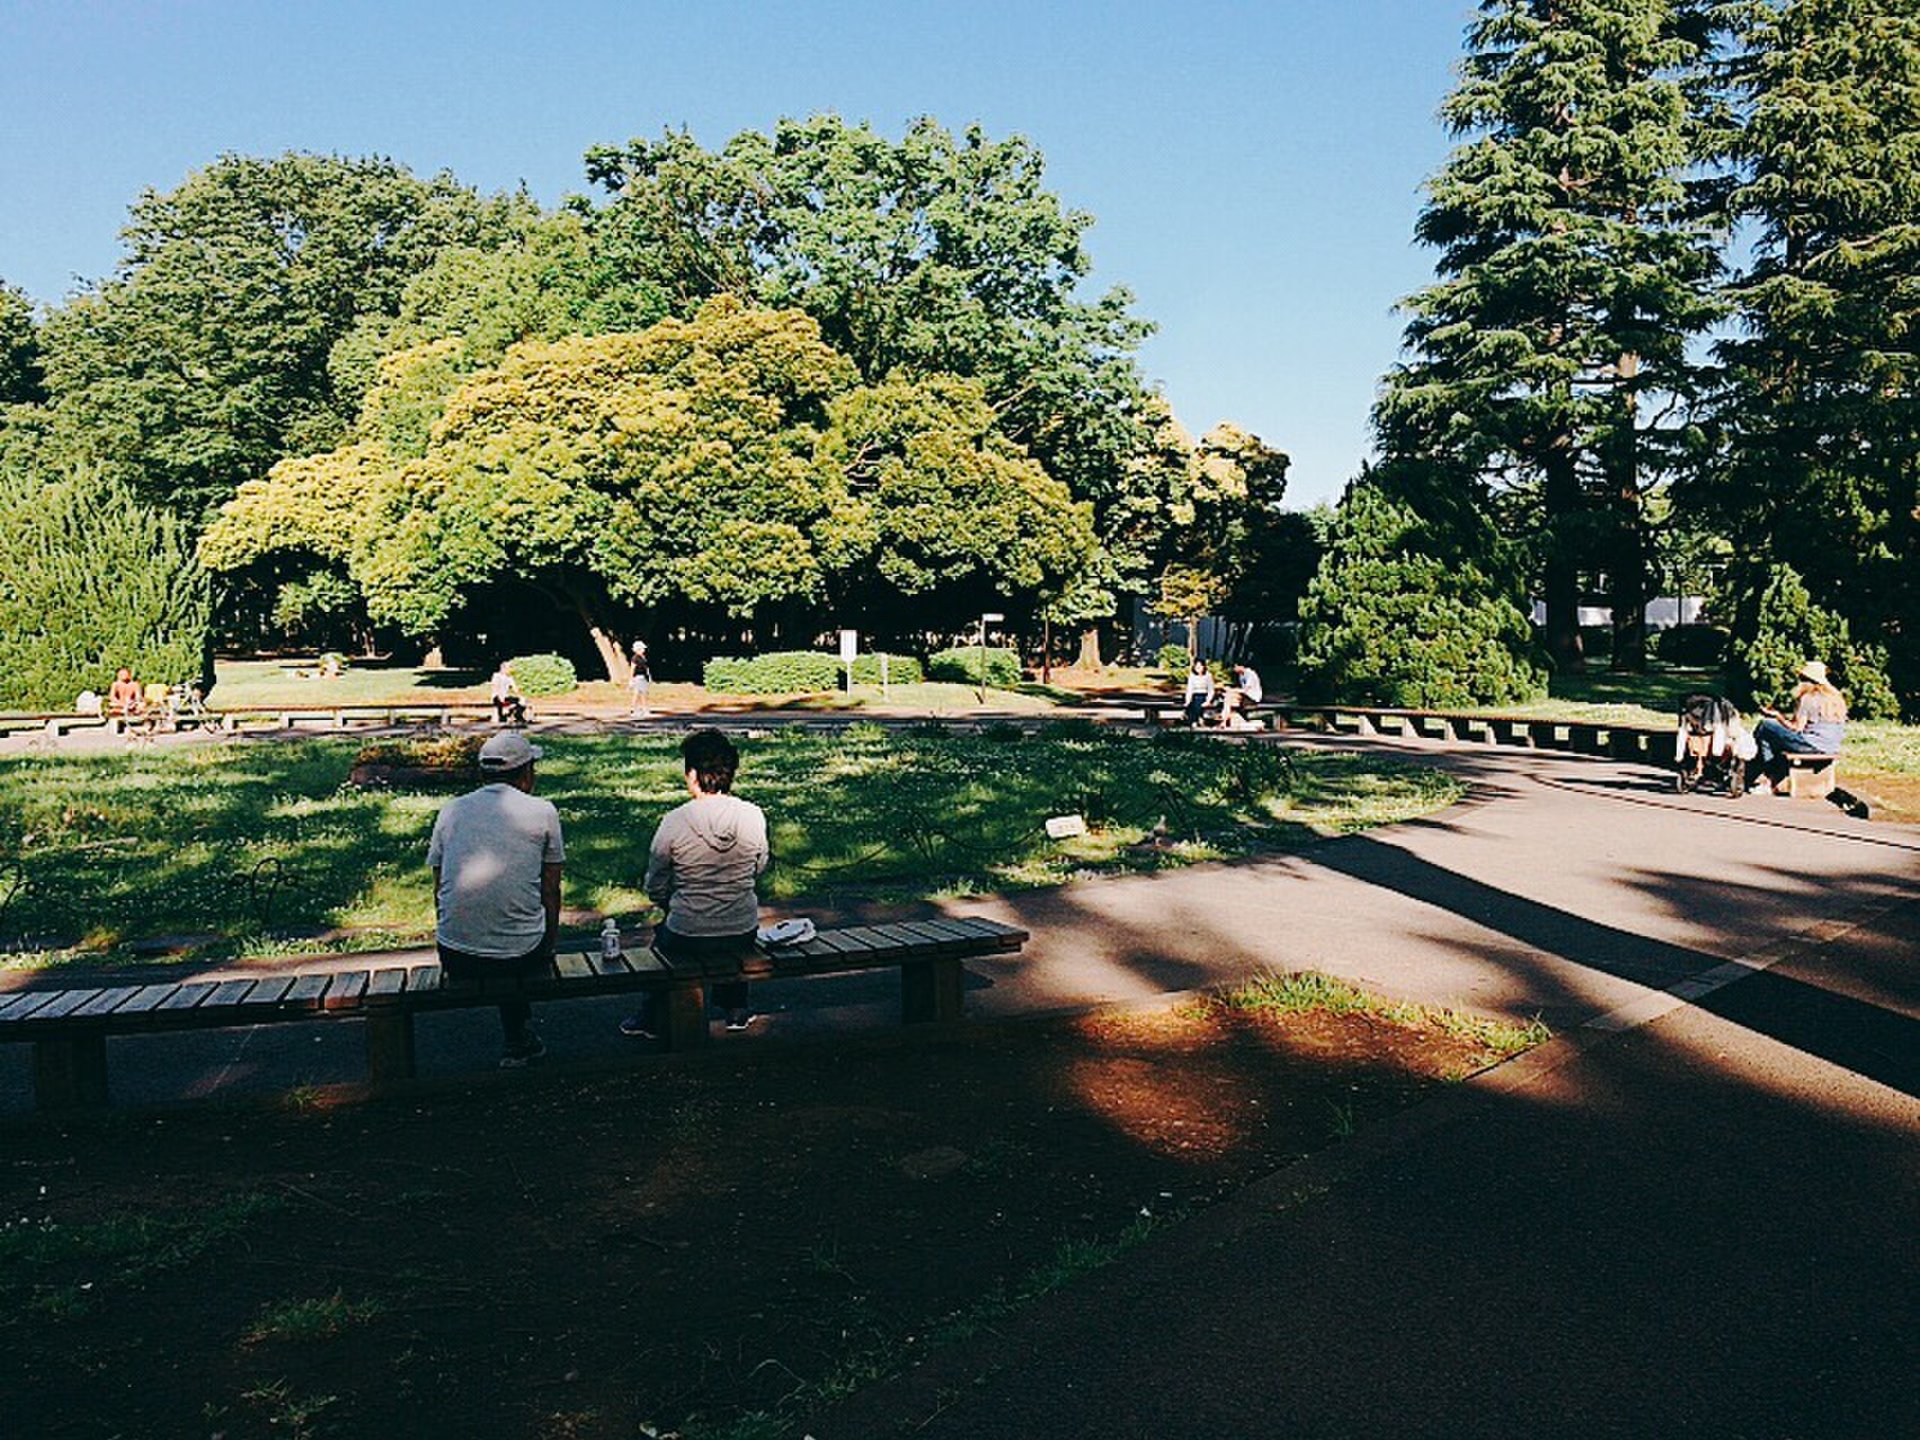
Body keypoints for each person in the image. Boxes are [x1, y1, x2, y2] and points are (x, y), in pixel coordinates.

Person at [426, 732, 565, 1067]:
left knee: (498, 939)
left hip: (455, 951)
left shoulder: (451, 811)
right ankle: (518, 1039)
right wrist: (548, 946)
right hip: (523, 954)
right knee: (515, 944)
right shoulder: (543, 812)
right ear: (526, 773)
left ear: (481, 774)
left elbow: (438, 886)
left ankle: (519, 1038)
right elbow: (551, 891)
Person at [622, 729, 770, 1038]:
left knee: (663, 943)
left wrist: (668, 901)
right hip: (742, 927)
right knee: (732, 925)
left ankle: (651, 1015)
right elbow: (759, 866)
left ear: (692, 774)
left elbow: (657, 882)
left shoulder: (675, 820)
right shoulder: (753, 815)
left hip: (688, 930)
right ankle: (735, 1008)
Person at [1750, 660, 1847, 795]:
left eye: (1801, 679)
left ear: (1808, 681)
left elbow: (1796, 727)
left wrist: (1777, 716)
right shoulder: (1835, 698)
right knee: (1770, 739)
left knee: (1765, 726)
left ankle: (1759, 775)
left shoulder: (1808, 698)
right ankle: (1765, 778)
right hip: (1831, 746)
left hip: (1811, 744)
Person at [1219, 662, 1264, 728]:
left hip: (1252, 697)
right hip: (1244, 696)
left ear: (1239, 666)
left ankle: (1223, 719)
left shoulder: (1250, 674)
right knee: (1228, 696)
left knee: (1229, 696)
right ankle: (1225, 720)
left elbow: (1245, 690)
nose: (1234, 670)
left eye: (1235, 667)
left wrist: (1232, 690)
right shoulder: (1241, 675)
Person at [490, 660, 527, 725]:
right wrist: (499, 696)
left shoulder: (509, 678)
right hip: (497, 696)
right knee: (499, 701)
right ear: (503, 668)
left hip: (505, 697)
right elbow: (495, 687)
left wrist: (520, 696)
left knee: (522, 701)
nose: (510, 669)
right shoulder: (496, 676)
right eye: (509, 667)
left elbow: (515, 688)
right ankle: (502, 715)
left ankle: (517, 715)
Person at [1181, 657, 1214, 724]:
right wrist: (1187, 701)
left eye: (1200, 666)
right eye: (1196, 666)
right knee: (1194, 701)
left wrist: (1208, 701)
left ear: (1203, 667)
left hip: (1204, 696)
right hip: (1195, 696)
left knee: (1197, 701)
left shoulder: (1208, 676)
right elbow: (1190, 689)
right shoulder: (1192, 676)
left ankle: (1194, 720)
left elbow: (1211, 690)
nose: (1198, 668)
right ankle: (1197, 719)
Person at [627, 640, 652, 718]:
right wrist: (631, 679)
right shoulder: (635, 658)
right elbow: (632, 668)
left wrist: (649, 676)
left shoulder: (643, 658)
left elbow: (646, 668)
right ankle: (633, 709)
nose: (643, 650)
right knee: (637, 693)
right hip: (638, 678)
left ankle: (644, 709)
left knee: (644, 693)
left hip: (643, 677)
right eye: (641, 649)